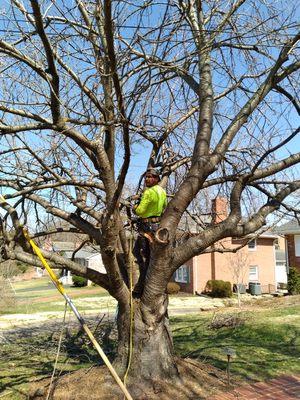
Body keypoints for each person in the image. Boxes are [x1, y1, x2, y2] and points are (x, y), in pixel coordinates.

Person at [132, 168, 167, 295]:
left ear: (157, 179)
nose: (147, 179)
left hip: (146, 226)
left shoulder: (148, 192)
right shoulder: (162, 192)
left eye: (151, 177)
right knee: (151, 256)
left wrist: (135, 207)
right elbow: (164, 207)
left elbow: (140, 211)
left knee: (140, 253)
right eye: (146, 177)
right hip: (156, 226)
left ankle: (141, 285)